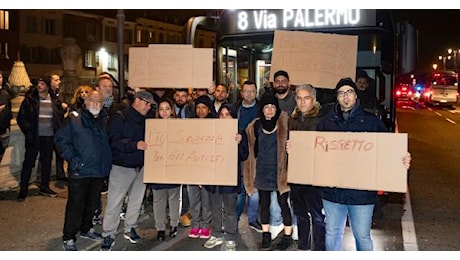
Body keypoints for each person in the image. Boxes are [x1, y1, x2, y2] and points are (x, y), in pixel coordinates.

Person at [316, 77, 412, 251]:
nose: (346, 96)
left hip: (361, 194)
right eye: (341, 93)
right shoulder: (326, 122)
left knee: (362, 235)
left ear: (356, 96)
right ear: (336, 97)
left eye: (350, 92)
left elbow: (388, 149)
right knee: (332, 233)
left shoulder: (371, 121)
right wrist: (295, 149)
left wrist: (401, 159)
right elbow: (313, 151)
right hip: (332, 193)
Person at [54, 89, 111, 251]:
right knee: (75, 205)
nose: (95, 103)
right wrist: (74, 160)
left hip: (98, 171)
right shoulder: (74, 119)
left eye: (99, 101)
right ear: (85, 102)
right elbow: (61, 140)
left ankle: (86, 229)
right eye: (92, 100)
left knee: (92, 204)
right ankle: (69, 237)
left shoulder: (104, 120)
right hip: (80, 171)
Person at [100, 90, 154, 251]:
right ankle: (108, 233)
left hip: (141, 166)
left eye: (151, 104)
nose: (148, 106)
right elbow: (113, 140)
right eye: (146, 103)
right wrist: (134, 145)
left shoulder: (149, 119)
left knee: (136, 200)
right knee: (115, 202)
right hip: (122, 166)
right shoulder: (119, 117)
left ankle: (130, 227)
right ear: (136, 101)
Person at [243, 92, 293, 250]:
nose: (270, 110)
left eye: (272, 107)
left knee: (284, 203)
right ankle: (266, 235)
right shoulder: (255, 126)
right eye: (266, 107)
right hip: (262, 172)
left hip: (281, 173)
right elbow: (250, 150)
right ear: (262, 110)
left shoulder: (285, 124)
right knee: (264, 204)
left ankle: (287, 235)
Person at [286, 84, 326, 250]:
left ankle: (318, 248)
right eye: (299, 98)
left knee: (317, 216)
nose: (302, 102)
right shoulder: (293, 119)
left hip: (315, 176)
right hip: (297, 175)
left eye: (306, 98)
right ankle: (303, 246)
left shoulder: (322, 120)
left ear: (314, 100)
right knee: (300, 214)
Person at [203, 104, 248, 251]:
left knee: (230, 210)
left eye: (227, 114)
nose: (224, 117)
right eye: (221, 114)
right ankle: (216, 233)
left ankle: (230, 236)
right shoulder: (211, 132)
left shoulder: (240, 133)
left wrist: (240, 142)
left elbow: (244, 155)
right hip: (213, 178)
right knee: (215, 207)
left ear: (233, 117)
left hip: (230, 178)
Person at [16, 77, 65, 201]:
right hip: (34, 137)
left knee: (46, 162)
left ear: (47, 86)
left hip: (49, 137)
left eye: (42, 84)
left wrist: (57, 131)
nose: (39, 86)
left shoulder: (54, 100)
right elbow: (21, 118)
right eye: (38, 84)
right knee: (28, 163)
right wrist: (29, 130)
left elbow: (59, 117)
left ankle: (45, 187)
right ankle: (23, 190)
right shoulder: (30, 100)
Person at [233, 80, 262, 232]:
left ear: (256, 92)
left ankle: (252, 219)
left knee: (254, 189)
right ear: (241, 93)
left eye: (252, 91)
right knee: (239, 190)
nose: (249, 94)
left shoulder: (262, 109)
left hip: (255, 154)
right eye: (246, 91)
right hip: (238, 153)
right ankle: (235, 218)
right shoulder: (235, 109)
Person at [151, 97, 181, 241]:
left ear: (172, 111)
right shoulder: (152, 126)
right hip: (157, 167)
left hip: (174, 167)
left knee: (174, 198)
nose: (164, 112)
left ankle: (174, 224)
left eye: (167, 109)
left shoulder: (178, 126)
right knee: (159, 200)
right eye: (161, 109)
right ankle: (160, 228)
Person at [187, 95, 215, 239]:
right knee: (194, 199)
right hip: (192, 168)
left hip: (208, 168)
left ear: (209, 109)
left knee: (206, 200)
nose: (200, 110)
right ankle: (195, 224)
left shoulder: (215, 126)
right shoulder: (190, 124)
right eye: (198, 107)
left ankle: (205, 225)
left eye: (204, 107)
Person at [173, 88, 194, 227]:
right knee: (174, 185)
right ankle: (173, 213)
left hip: (187, 151)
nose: (180, 98)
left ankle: (183, 213)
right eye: (178, 96)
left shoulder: (191, 111)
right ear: (174, 96)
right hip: (173, 151)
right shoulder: (168, 109)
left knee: (186, 185)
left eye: (183, 96)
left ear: (188, 97)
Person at [0, 70, 12, 162]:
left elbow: (9, 111)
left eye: (0, 77)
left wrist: (8, 126)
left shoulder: (5, 94)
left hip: (3, 130)